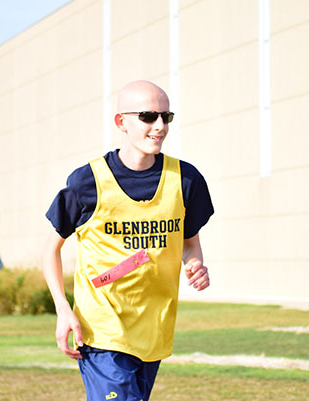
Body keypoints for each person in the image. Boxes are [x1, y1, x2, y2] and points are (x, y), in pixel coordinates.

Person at [41, 80, 214, 401]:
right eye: (148, 117)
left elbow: (191, 242)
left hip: (153, 329)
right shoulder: (87, 181)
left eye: (166, 117)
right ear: (122, 122)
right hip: (101, 329)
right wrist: (63, 309)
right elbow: (50, 250)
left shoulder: (186, 179)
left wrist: (195, 263)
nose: (159, 126)